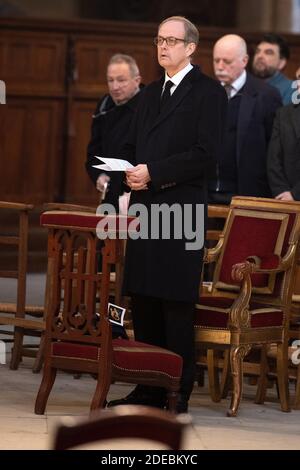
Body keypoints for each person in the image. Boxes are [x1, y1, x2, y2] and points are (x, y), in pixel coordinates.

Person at [107, 16, 227, 413]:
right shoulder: (150, 92)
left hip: (181, 208)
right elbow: (133, 146)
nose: (163, 47)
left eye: (172, 41)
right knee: (144, 299)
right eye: (159, 39)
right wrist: (126, 179)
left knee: (175, 303)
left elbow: (207, 155)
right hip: (145, 208)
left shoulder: (208, 92)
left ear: (191, 47)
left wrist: (155, 173)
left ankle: (177, 391)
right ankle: (147, 387)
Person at [209, 34, 282, 205]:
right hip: (206, 191)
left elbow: (275, 149)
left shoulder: (266, 95)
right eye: (216, 60)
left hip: (247, 192)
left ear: (244, 60)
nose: (220, 67)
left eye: (227, 62)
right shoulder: (206, 93)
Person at [85, 54, 142, 210]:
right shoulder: (104, 105)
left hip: (139, 193)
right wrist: (98, 176)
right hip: (110, 192)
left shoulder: (149, 105)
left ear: (136, 81)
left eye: (121, 80)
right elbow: (93, 153)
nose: (115, 87)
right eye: (110, 80)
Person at [267, 76, 300, 201]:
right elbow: (273, 158)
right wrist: (281, 191)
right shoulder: (284, 113)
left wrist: (295, 194)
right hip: (283, 198)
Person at [252, 33, 293, 105]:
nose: (260, 56)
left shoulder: (291, 89)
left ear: (281, 63)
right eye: (257, 51)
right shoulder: (245, 84)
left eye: (268, 52)